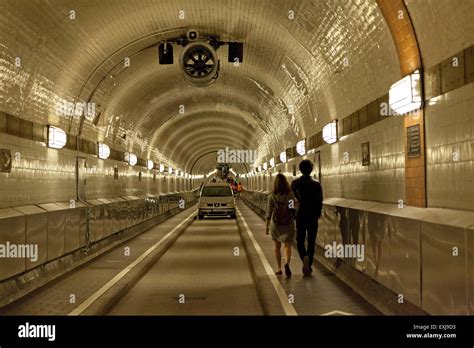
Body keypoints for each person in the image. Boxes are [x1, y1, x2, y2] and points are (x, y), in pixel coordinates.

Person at [291, 159, 323, 276]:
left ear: (300, 169)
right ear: (311, 169)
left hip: (300, 215)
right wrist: (318, 213)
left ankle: (304, 257)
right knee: (311, 241)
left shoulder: (295, 184)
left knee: (300, 240)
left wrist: (292, 213)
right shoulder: (316, 184)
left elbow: (291, 200)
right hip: (312, 216)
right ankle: (308, 264)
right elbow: (320, 201)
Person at [265, 173, 296, 277]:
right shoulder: (290, 194)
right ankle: (287, 263)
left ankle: (279, 268)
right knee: (287, 246)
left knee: (277, 247)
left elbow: (268, 213)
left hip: (276, 223)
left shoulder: (271, 196)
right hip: (288, 222)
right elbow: (292, 208)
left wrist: (267, 227)